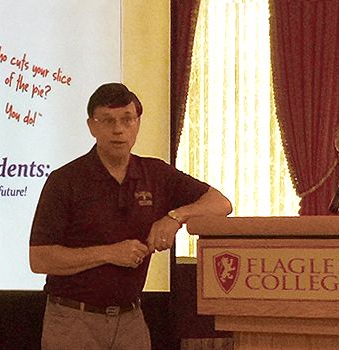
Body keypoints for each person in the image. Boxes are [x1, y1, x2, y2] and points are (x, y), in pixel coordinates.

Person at [29, 82, 232, 350]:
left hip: (131, 320)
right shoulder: (65, 180)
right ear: (92, 126)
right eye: (108, 120)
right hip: (73, 320)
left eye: (127, 119)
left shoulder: (156, 173)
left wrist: (175, 217)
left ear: (137, 123)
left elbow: (221, 203)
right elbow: (39, 259)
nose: (118, 129)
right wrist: (109, 253)